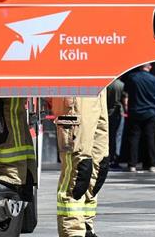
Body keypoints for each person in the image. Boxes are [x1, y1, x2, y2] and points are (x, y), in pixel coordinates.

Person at [50, 93, 109, 237]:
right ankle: (73, 231)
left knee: (99, 166)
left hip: (99, 86)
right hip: (75, 88)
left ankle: (86, 225)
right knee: (79, 170)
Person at [124, 64, 155, 172]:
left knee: (134, 138)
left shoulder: (132, 77)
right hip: (150, 111)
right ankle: (152, 164)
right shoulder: (154, 79)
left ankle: (132, 164)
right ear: (150, 66)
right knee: (150, 138)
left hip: (135, 110)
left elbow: (127, 92)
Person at [105, 78, 126, 167]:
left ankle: (108, 157)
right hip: (118, 112)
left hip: (108, 111)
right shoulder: (121, 84)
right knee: (118, 136)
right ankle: (115, 157)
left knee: (109, 136)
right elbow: (125, 99)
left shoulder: (106, 84)